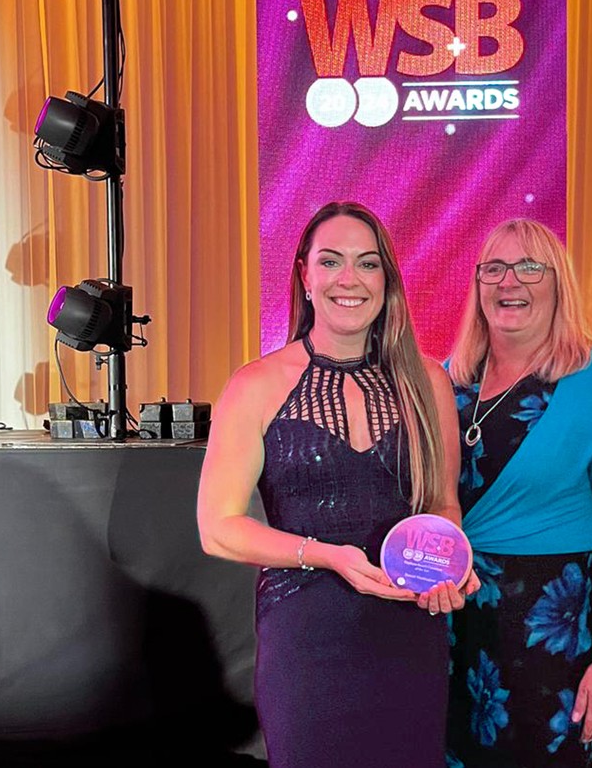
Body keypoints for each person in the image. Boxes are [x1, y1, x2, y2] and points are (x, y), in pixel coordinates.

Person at [197, 201, 478, 768]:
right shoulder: (255, 384)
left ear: (387, 280)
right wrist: (326, 556)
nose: (349, 279)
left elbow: (443, 502)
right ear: (305, 274)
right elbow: (217, 528)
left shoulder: (427, 380)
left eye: (367, 264)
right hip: (306, 636)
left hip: (407, 626)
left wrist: (447, 566)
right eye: (331, 262)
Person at [443, 219, 592, 768]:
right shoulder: (454, 379)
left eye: (529, 267)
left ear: (558, 284)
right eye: (493, 269)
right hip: (453, 622)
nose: (509, 283)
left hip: (548, 631)